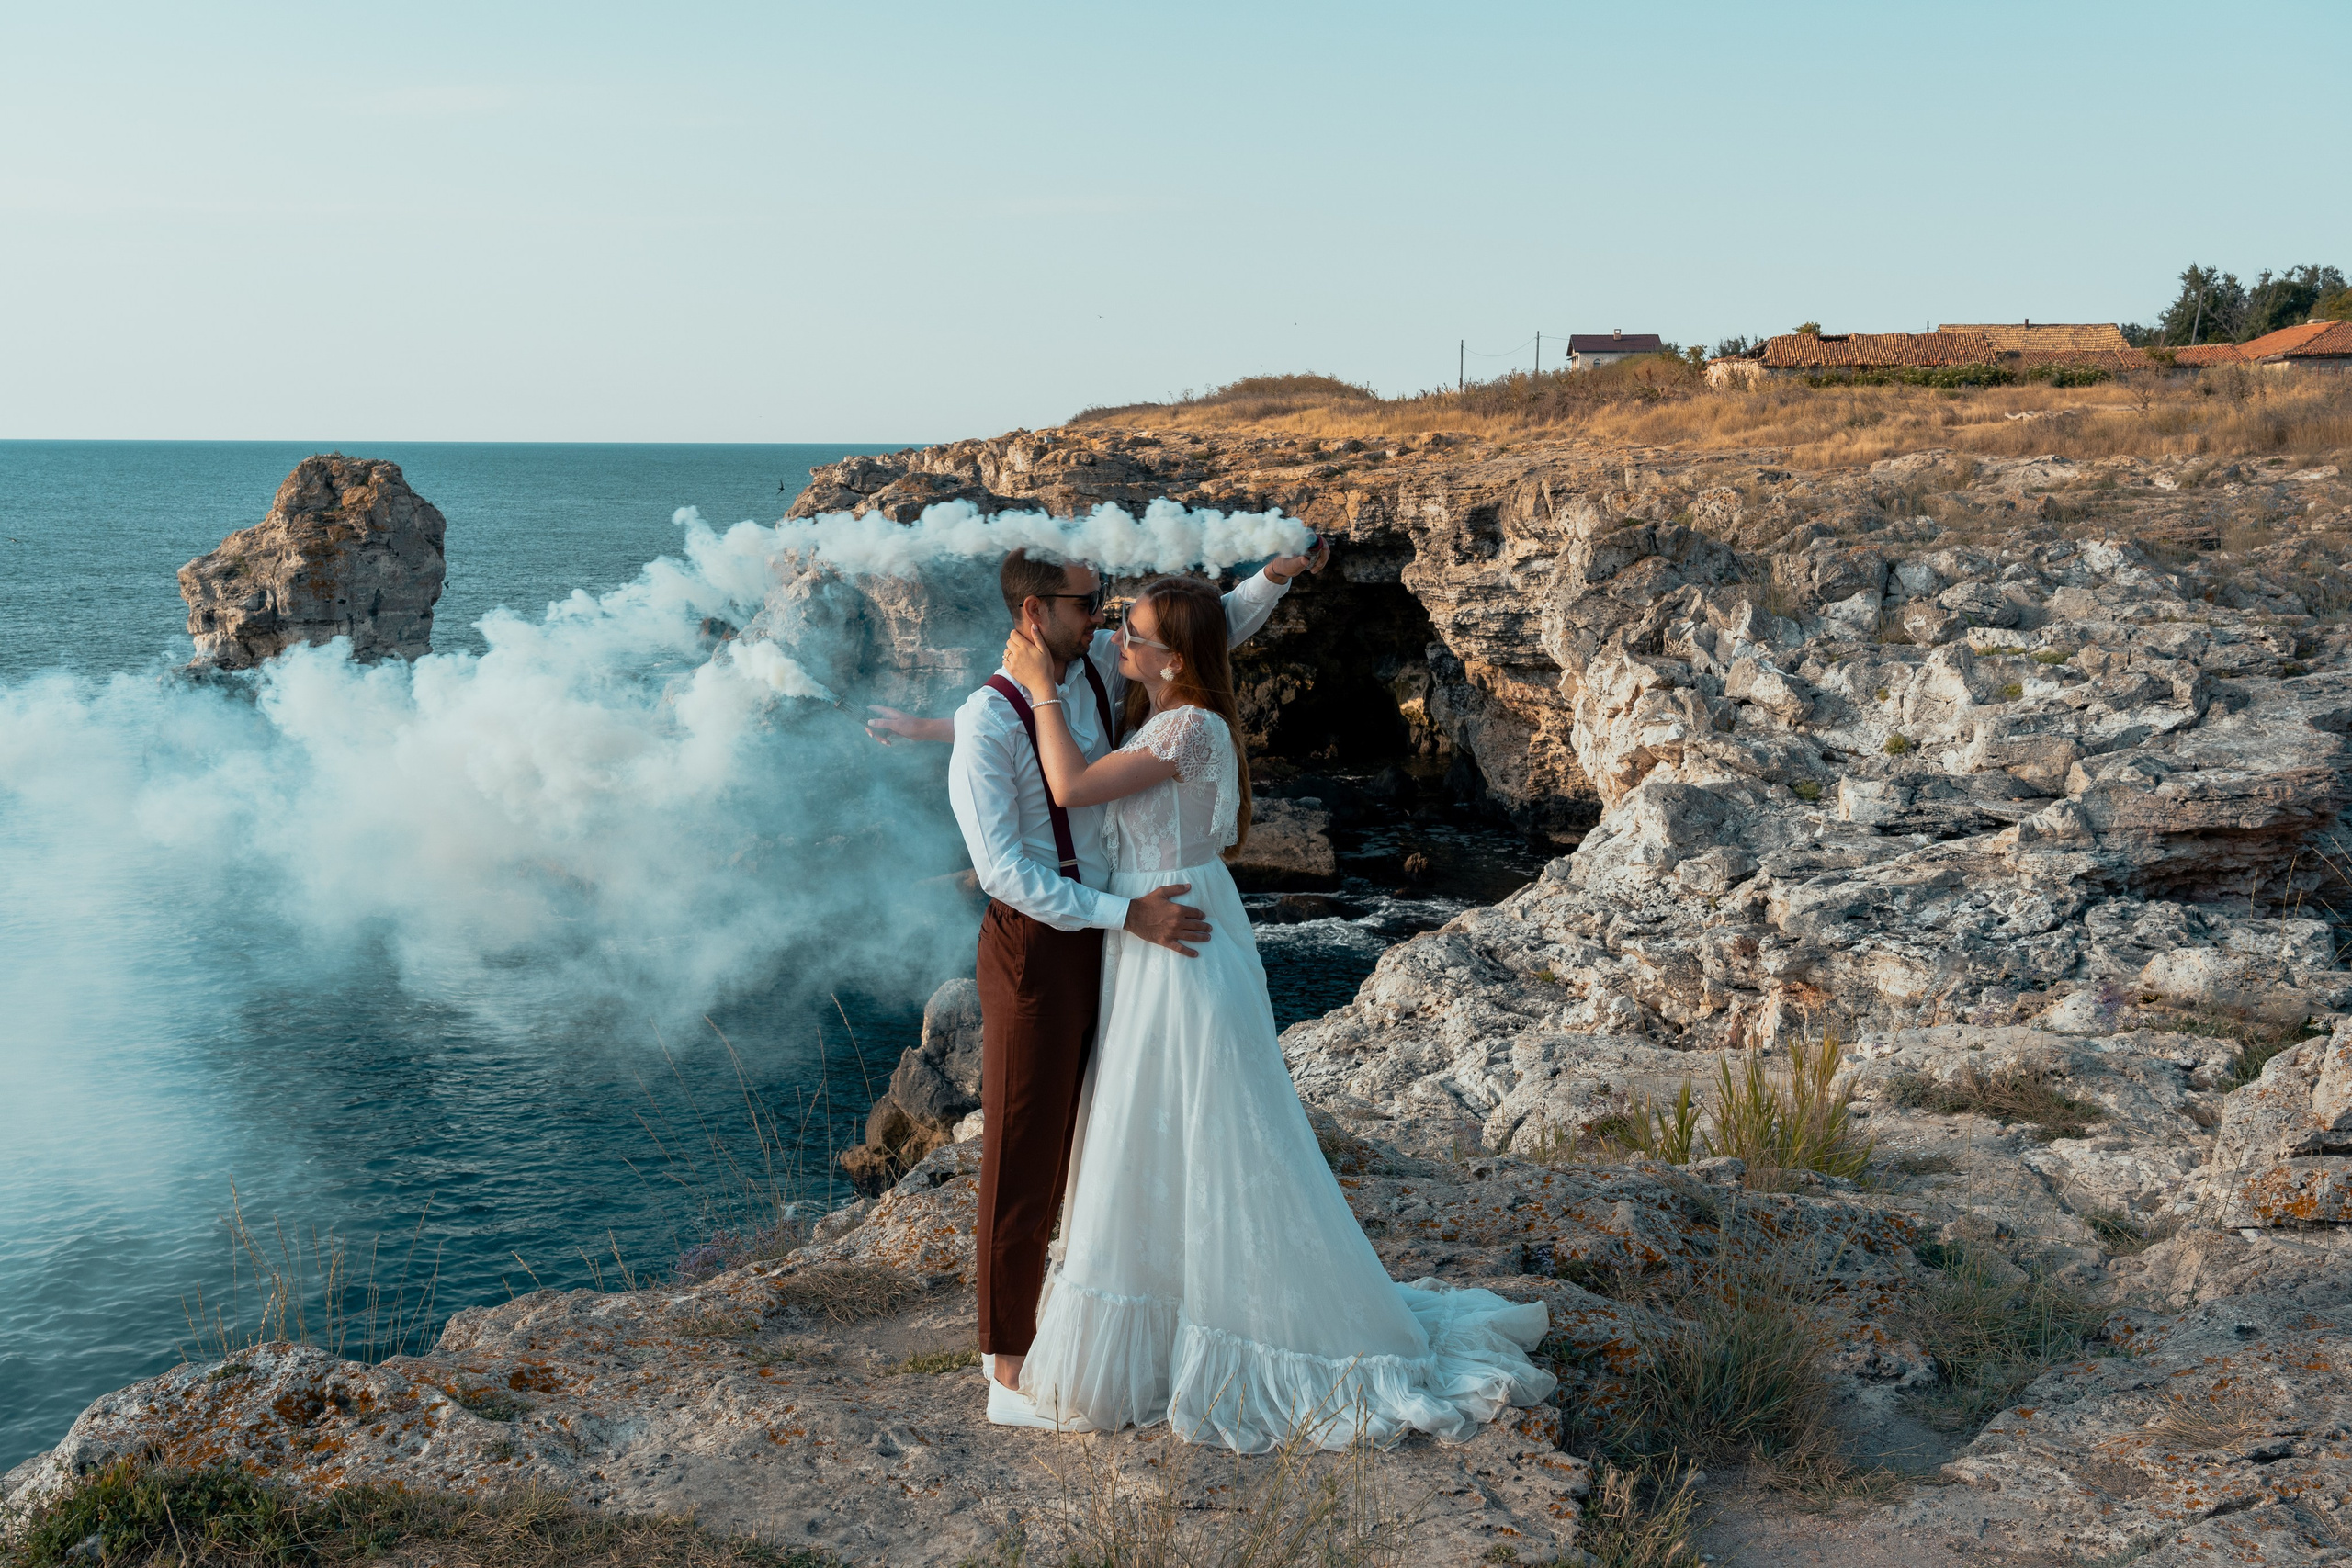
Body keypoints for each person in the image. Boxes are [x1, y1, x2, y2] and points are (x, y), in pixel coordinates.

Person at [989, 577, 1555, 1450]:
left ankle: (1244, 1321)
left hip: (1171, 944)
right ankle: (1171, 1316)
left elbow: (1067, 789)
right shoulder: (1174, 715)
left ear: (1173, 661)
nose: (1119, 646)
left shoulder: (1187, 725)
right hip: (1150, 937)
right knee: (1151, 1125)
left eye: (1133, 636)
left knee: (1208, 1123)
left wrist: (1036, 687)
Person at [944, 543, 1324, 1424]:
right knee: (1024, 1149)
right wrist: (1126, 917)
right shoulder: (989, 719)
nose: (1106, 616)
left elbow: (1203, 627)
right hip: (1049, 939)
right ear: (1037, 613)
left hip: (1123, 940)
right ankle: (1005, 1366)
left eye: (1119, 612)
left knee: (1112, 1135)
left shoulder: (1094, 687)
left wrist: (1272, 579)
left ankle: (1149, 1324)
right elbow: (1004, 871)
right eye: (1090, 603)